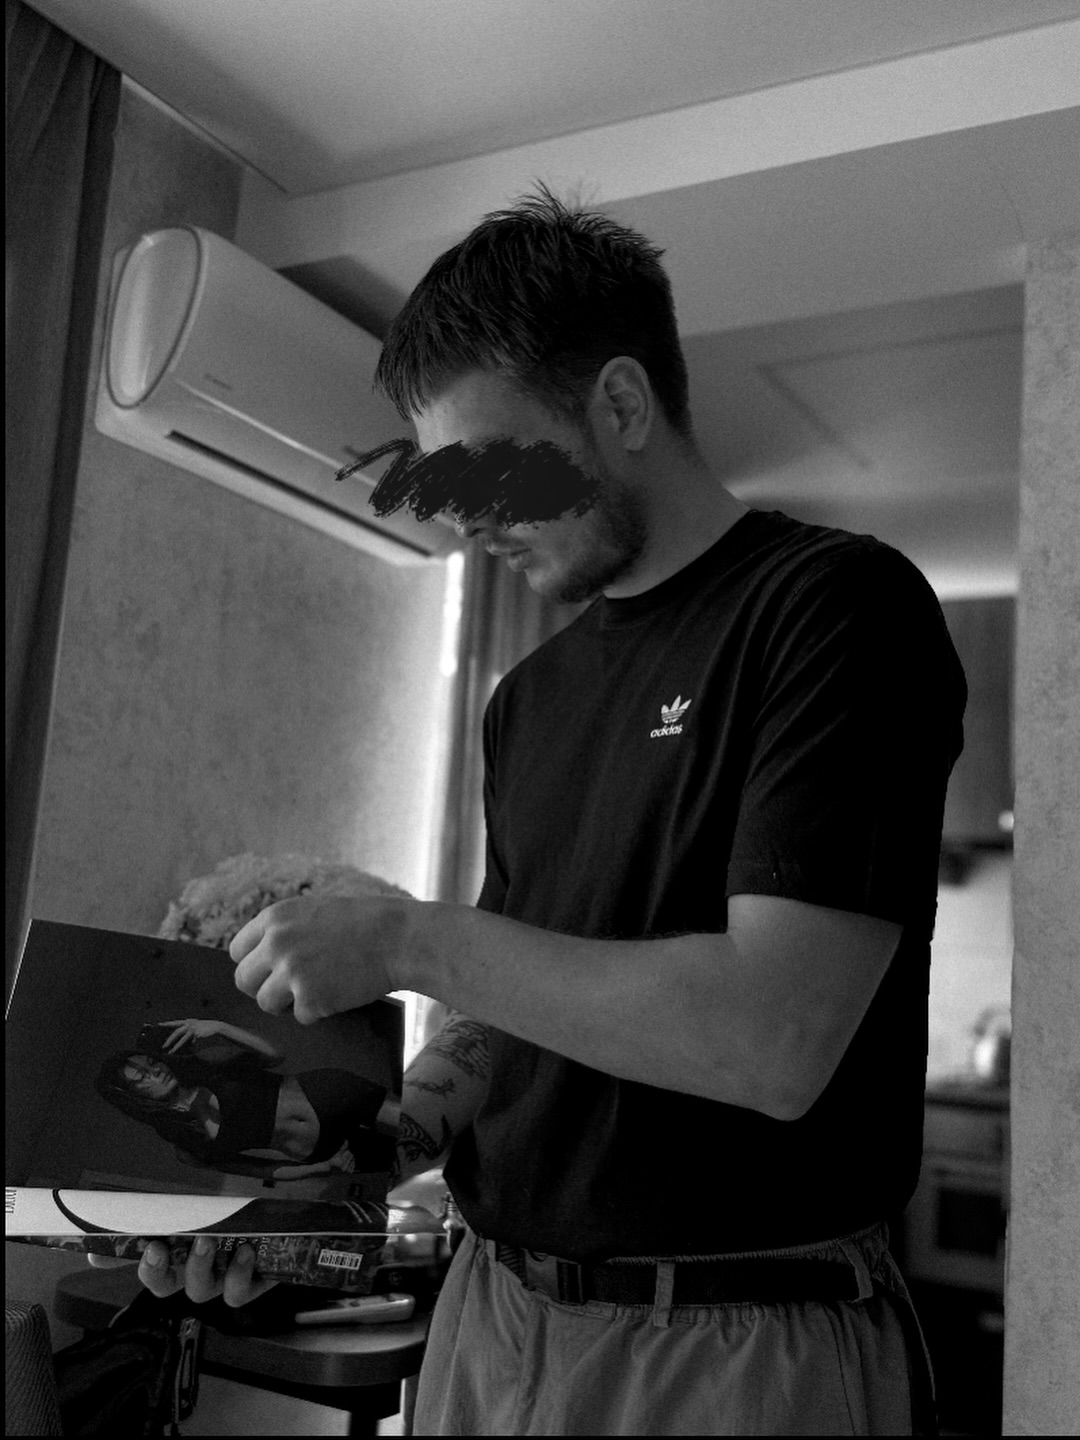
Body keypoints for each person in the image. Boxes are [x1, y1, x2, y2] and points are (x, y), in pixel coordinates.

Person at [126, 189, 965, 1435]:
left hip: (733, 1340)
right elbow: (504, 1016)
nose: (461, 518)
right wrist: (319, 1184)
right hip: (490, 1316)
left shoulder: (835, 611)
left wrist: (406, 936)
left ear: (621, 405)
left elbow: (771, 1040)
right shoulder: (527, 699)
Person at [95, 1018, 397, 1180]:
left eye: (151, 1063)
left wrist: (220, 1027)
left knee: (415, 1121)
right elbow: (261, 1170)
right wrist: (324, 1168)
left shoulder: (205, 1064)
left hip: (328, 1094)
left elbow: (274, 1055)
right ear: (134, 1098)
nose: (155, 1071)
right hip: (322, 1151)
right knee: (407, 1162)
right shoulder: (188, 1146)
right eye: (141, 1077)